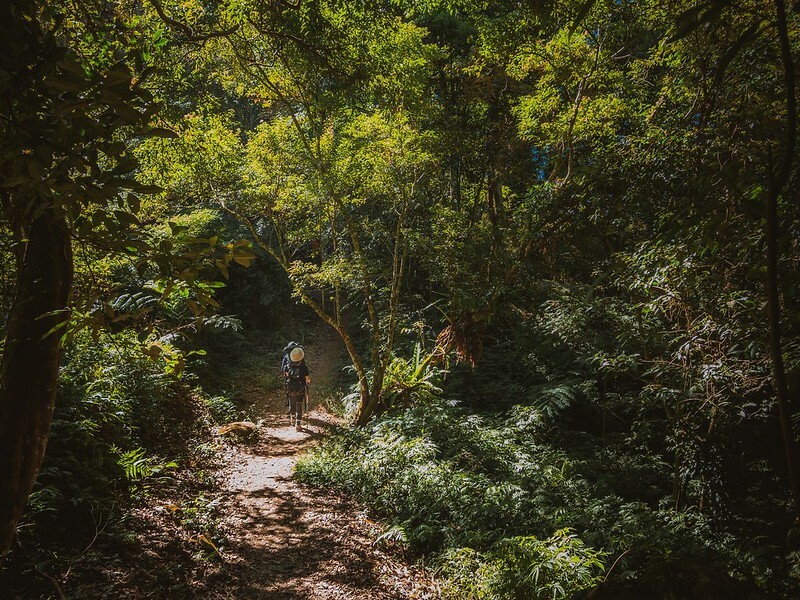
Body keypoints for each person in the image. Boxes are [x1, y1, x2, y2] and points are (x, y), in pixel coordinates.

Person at [282, 344, 310, 431]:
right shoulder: (304, 367)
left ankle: (292, 419)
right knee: (299, 404)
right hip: (300, 389)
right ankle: (298, 424)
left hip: (290, 388)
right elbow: (308, 379)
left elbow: (285, 375)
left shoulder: (287, 366)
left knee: (292, 403)